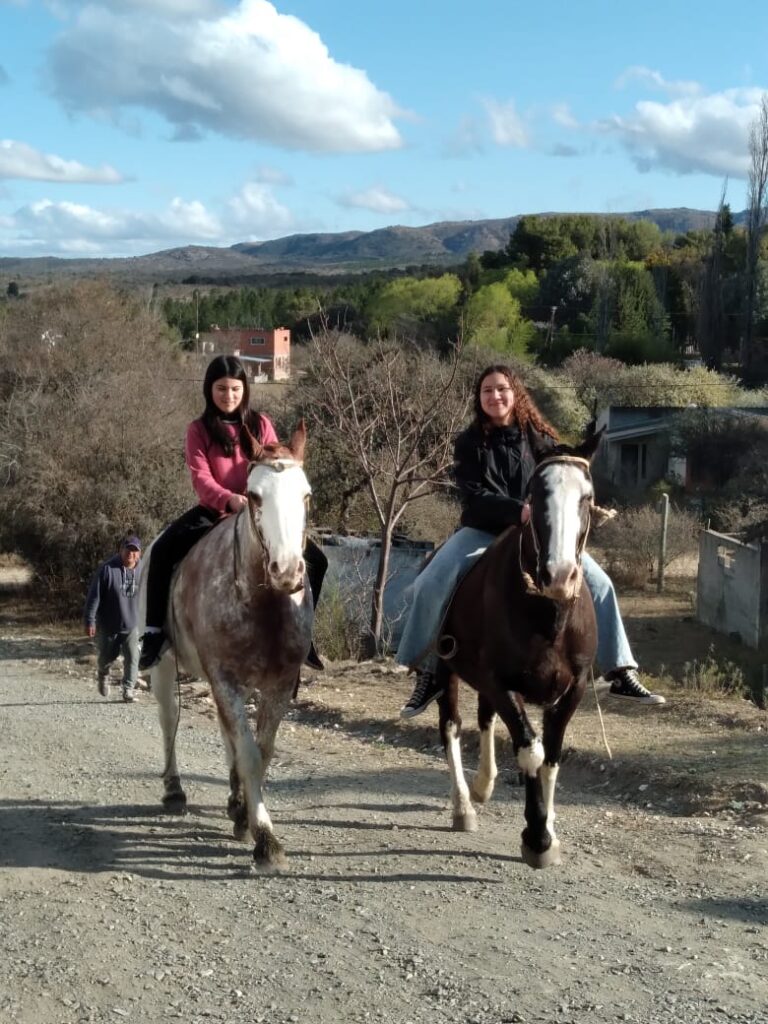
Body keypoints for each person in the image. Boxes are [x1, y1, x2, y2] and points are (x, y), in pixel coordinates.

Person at [396, 363, 666, 718]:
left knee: (600, 584)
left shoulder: (539, 437)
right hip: (482, 530)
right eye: (487, 391)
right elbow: (472, 495)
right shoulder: (469, 442)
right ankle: (429, 672)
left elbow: (562, 479)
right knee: (430, 584)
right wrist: (517, 511)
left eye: (502, 389)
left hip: (535, 536)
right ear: (479, 399)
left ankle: (620, 671)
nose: (495, 396)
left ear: (515, 393)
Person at [139, 354, 326, 673]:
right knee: (161, 551)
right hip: (215, 510)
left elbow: (273, 468)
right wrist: (229, 500)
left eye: (235, 389)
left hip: (258, 512)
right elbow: (201, 477)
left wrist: (260, 501)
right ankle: (155, 633)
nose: (229, 396)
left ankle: (304, 635)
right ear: (210, 390)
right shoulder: (198, 430)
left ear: (245, 390)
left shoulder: (261, 424)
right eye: (222, 389)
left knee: (318, 561)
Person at [84, 534, 143, 703]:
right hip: (110, 625)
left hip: (133, 625)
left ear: (139, 554)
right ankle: (103, 674)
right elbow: (94, 597)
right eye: (128, 549)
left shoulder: (143, 570)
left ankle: (128, 690)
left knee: (133, 658)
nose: (131, 553)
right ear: (121, 550)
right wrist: (90, 620)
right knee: (106, 658)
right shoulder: (107, 569)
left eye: (135, 551)